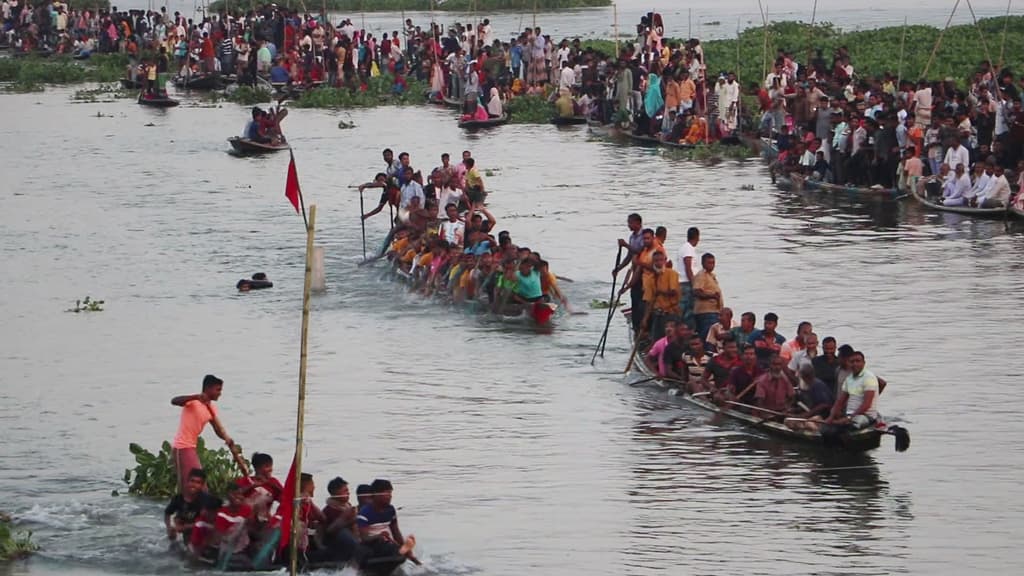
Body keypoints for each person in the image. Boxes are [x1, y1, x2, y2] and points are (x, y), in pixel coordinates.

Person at [170, 375, 238, 493]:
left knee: (198, 488)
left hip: (191, 447)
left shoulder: (210, 408)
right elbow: (174, 401)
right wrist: (196, 396)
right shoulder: (193, 402)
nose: (220, 393)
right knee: (193, 488)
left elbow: (217, 429)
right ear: (208, 389)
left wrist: (226, 438)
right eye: (218, 390)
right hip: (182, 448)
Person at [357, 479, 418, 563]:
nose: (390, 496)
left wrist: (407, 551)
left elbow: (396, 532)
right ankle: (400, 551)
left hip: (386, 543)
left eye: (390, 493)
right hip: (370, 545)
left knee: (391, 546)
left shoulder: (390, 510)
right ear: (376, 494)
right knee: (382, 543)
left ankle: (403, 550)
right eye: (387, 493)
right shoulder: (364, 513)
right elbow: (364, 539)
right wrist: (379, 536)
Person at [165, 468, 220, 544]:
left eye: (198, 482)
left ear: (202, 485)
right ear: (187, 482)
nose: (194, 485)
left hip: (205, 533)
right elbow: (167, 513)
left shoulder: (208, 500)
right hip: (188, 532)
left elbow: (212, 523)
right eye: (192, 481)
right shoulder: (178, 499)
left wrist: (184, 527)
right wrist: (169, 528)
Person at [825, 351, 880, 429]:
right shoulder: (849, 379)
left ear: (864, 363)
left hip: (866, 416)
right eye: (852, 362)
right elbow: (840, 401)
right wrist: (831, 417)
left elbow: (867, 405)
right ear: (849, 363)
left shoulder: (869, 378)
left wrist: (849, 418)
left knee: (853, 425)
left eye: (858, 361)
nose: (854, 364)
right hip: (850, 414)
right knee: (828, 428)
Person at [641, 250, 680, 341]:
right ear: (653, 262)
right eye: (656, 261)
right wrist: (645, 319)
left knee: (671, 339)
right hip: (658, 314)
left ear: (664, 261)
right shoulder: (650, 279)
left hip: (670, 313)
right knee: (656, 339)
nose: (658, 263)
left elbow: (673, 292)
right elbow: (648, 301)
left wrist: (661, 292)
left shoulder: (671, 274)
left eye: (660, 260)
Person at [691, 252, 723, 345]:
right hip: (706, 313)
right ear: (703, 263)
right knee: (708, 336)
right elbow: (696, 291)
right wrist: (712, 296)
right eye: (709, 263)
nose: (712, 265)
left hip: (714, 311)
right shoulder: (702, 275)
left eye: (713, 263)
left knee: (710, 335)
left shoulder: (711, 276)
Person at [752, 354, 795, 418]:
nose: (777, 367)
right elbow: (759, 402)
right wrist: (765, 415)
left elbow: (792, 397)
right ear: (770, 365)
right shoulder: (762, 381)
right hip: (766, 412)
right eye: (774, 364)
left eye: (779, 364)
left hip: (781, 412)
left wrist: (787, 408)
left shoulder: (785, 379)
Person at [676, 227, 700, 330]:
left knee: (686, 309)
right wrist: (694, 283)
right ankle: (686, 330)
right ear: (697, 237)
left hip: (685, 282)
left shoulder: (685, 247)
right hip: (686, 283)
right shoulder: (688, 248)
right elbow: (688, 267)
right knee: (688, 309)